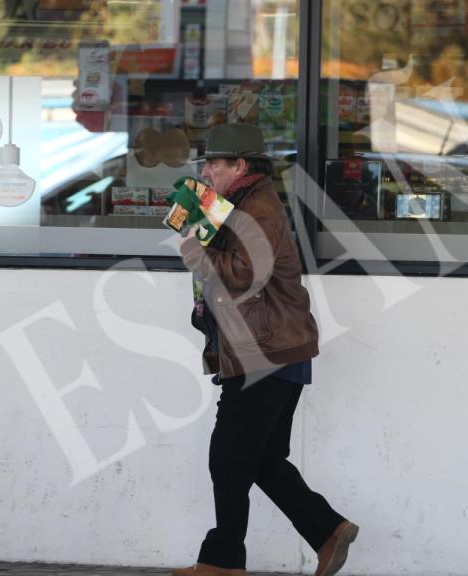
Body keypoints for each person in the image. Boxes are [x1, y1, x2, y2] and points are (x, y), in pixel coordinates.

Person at [173, 124, 358, 576]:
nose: (207, 171)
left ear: (240, 166)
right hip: (273, 350)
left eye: (215, 163)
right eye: (206, 163)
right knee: (260, 458)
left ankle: (222, 562)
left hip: (265, 353)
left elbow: (241, 276)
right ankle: (327, 529)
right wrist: (201, 223)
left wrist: (197, 249)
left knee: (229, 456)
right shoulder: (236, 206)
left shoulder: (256, 210)